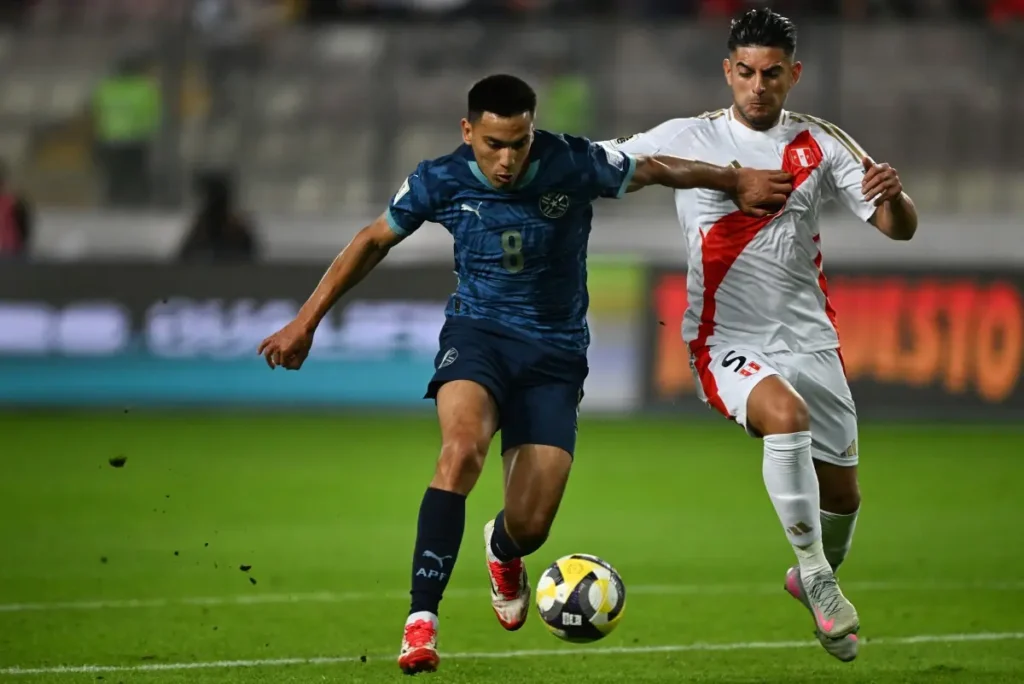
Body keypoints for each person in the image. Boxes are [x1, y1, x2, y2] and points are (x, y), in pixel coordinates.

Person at [257, 73, 792, 675]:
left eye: (519, 143)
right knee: (461, 452)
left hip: (554, 357)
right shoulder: (440, 178)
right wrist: (305, 321)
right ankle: (421, 621)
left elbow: (655, 169)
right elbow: (372, 239)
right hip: (478, 338)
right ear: (468, 132)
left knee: (531, 527)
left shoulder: (572, 162)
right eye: (494, 145)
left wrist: (733, 180)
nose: (507, 159)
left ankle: (503, 548)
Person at [602, 8, 918, 663]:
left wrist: (895, 196)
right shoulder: (690, 135)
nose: (757, 85)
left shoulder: (820, 142)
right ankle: (819, 576)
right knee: (785, 416)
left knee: (844, 498)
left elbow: (898, 227)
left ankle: (812, 572)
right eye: (745, 72)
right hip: (724, 339)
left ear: (794, 75)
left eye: (772, 73)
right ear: (727, 71)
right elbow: (604, 163)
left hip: (811, 339)